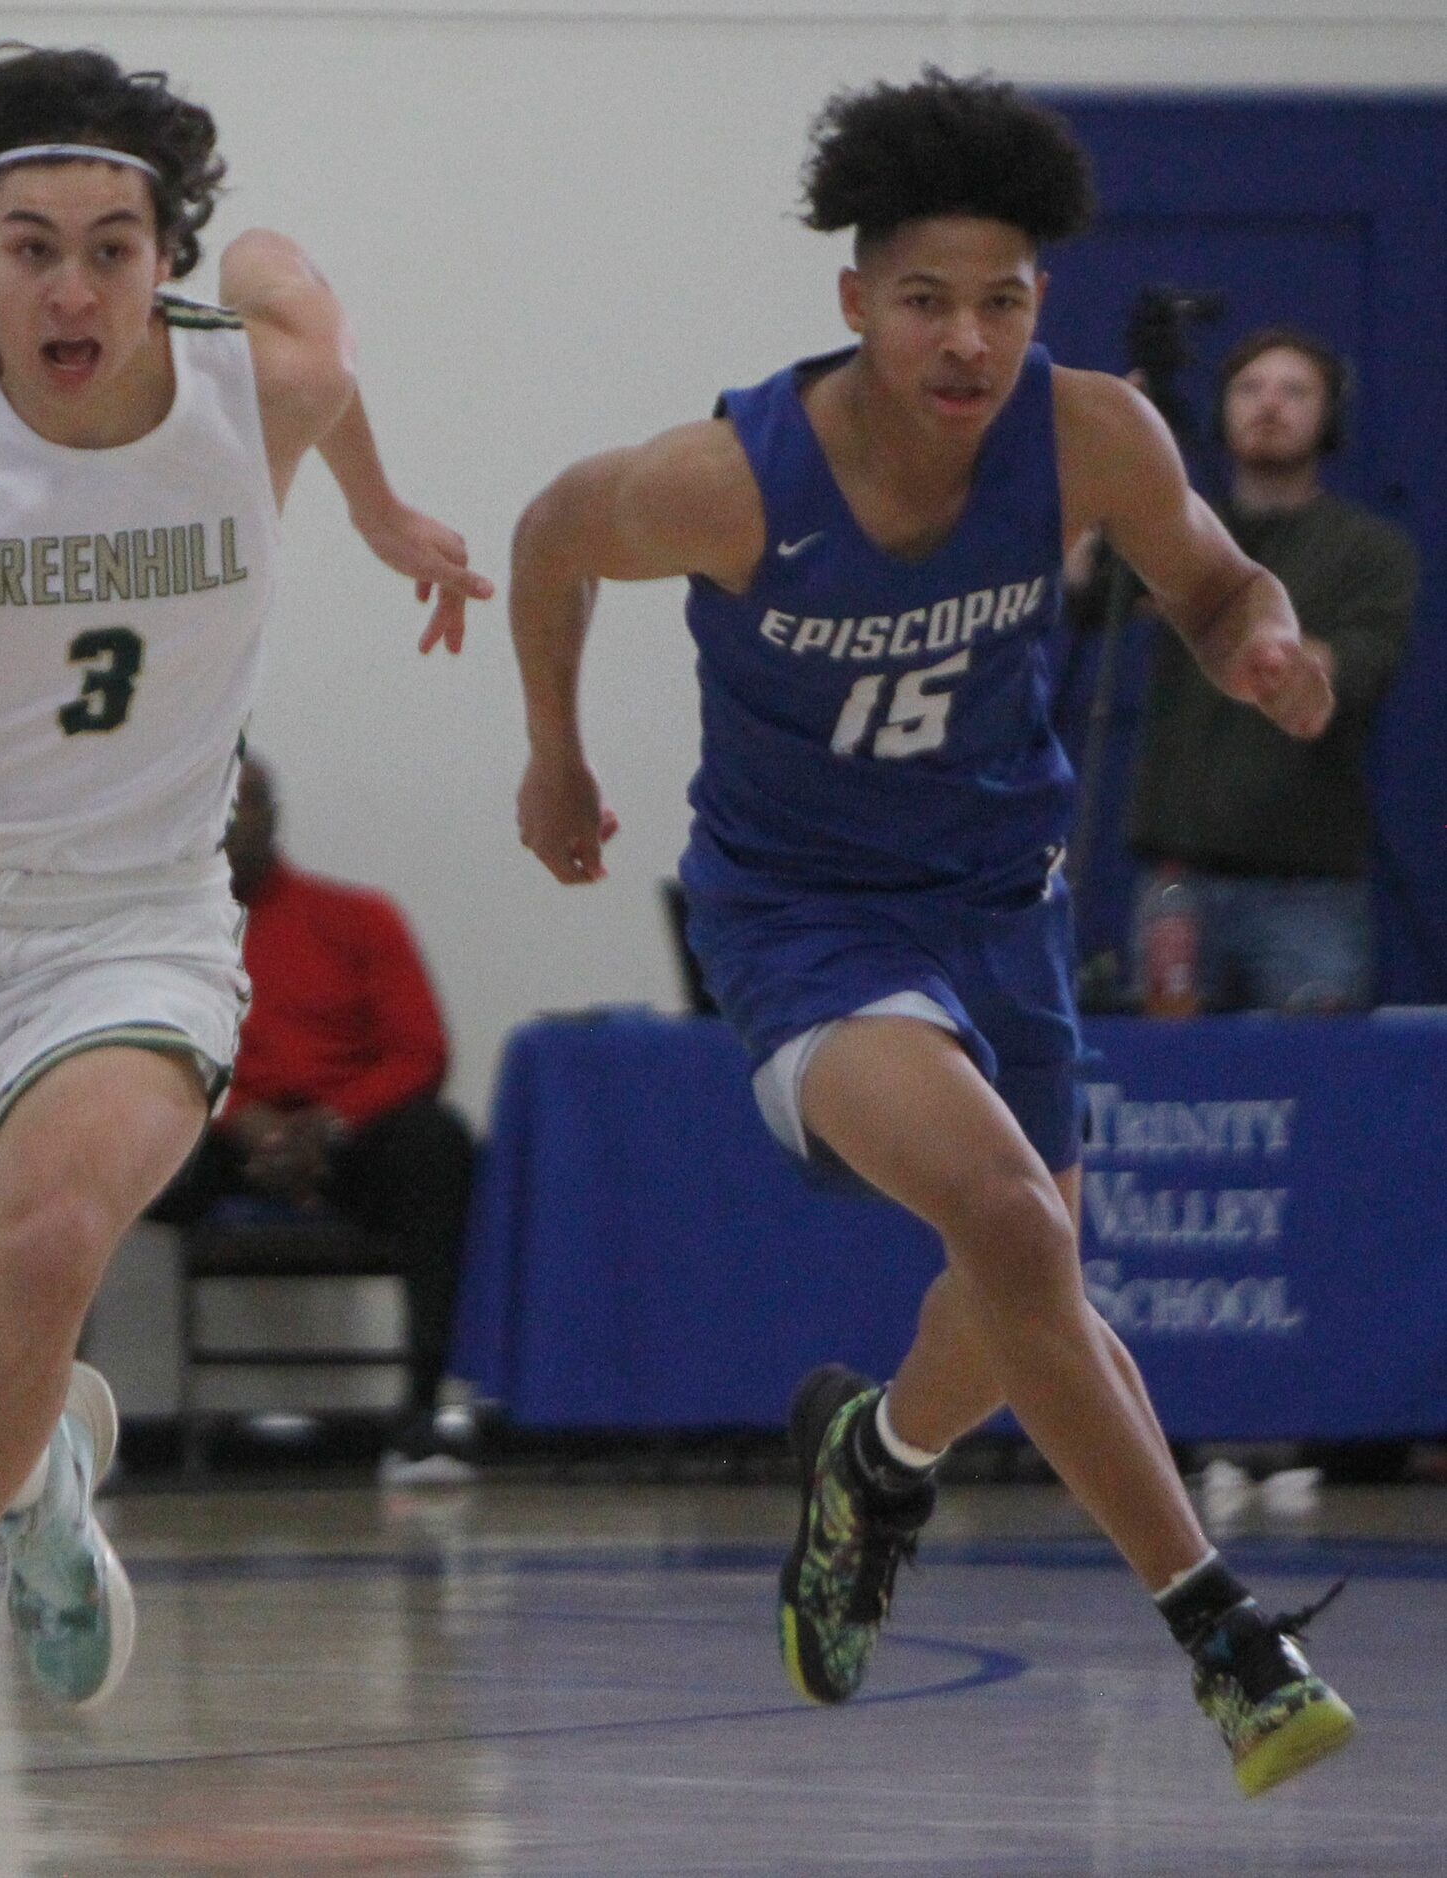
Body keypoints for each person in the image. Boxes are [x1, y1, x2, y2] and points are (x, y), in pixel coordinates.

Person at [505, 70, 1353, 1798]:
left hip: (999, 901)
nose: (967, 340)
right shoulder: (735, 480)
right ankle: (1224, 1633)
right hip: (805, 920)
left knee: (1015, 1274)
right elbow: (547, 535)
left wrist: (1260, 642)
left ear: (1039, 301)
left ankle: (877, 1462)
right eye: (924, 301)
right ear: (854, 303)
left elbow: (1209, 581)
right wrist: (557, 751)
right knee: (1015, 1222)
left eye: (1003, 299)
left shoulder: (1093, 432)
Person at [0, 42, 489, 1832]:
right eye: (30, 245)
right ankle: (50, 1472)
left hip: (138, 923)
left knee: (57, 1229)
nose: (73, 285)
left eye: (113, 243)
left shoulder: (254, 386)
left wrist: (375, 508)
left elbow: (314, 310)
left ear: (167, 256)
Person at [150, 754, 479, 1484]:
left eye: (253, 805)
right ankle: (69, 1426)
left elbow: (420, 1052)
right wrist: (235, 1119)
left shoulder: (358, 919)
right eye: (222, 808)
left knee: (438, 1143)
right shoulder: (157, 935)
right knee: (99, 1149)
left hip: (347, 1141)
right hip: (223, 1139)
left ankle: (423, 1415)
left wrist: (329, 1123)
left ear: (277, 815)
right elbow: (150, 1055)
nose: (238, 823)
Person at [1127, 326, 1418, 1011]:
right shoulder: (1176, 531)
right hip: (1178, 880)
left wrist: (1264, 642)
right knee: (1166, 1094)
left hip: (1308, 888)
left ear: (1330, 416)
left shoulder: (1372, 550)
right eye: (1250, 388)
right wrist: (1110, 468)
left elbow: (1361, 669)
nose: (1270, 404)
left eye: (1295, 391)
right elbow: (1082, 599)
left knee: (1322, 1091)